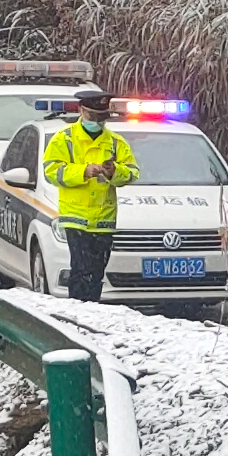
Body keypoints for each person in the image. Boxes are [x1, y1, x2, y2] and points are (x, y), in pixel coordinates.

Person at [39, 82, 137, 300]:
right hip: (76, 218)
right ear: (81, 111)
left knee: (96, 273)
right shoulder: (64, 139)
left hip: (104, 220)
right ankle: (78, 312)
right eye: (92, 116)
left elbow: (132, 173)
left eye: (101, 118)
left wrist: (114, 172)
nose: (96, 122)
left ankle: (92, 309)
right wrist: (84, 171)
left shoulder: (115, 142)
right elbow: (51, 171)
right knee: (81, 271)